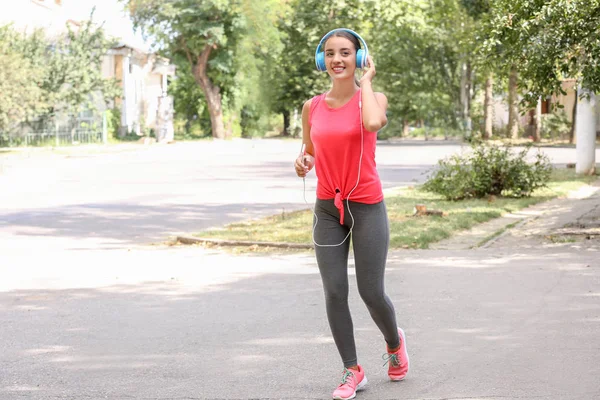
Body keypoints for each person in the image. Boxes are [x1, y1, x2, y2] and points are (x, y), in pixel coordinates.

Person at [293, 28, 410, 400]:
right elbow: (309, 149)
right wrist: (303, 161)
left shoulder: (373, 99)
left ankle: (394, 343)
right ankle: (352, 370)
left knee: (371, 292)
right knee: (334, 291)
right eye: (329, 53)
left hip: (366, 205)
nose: (336, 60)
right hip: (328, 207)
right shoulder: (311, 106)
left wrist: (368, 81)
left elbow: (374, 124)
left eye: (345, 52)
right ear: (321, 59)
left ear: (359, 58)